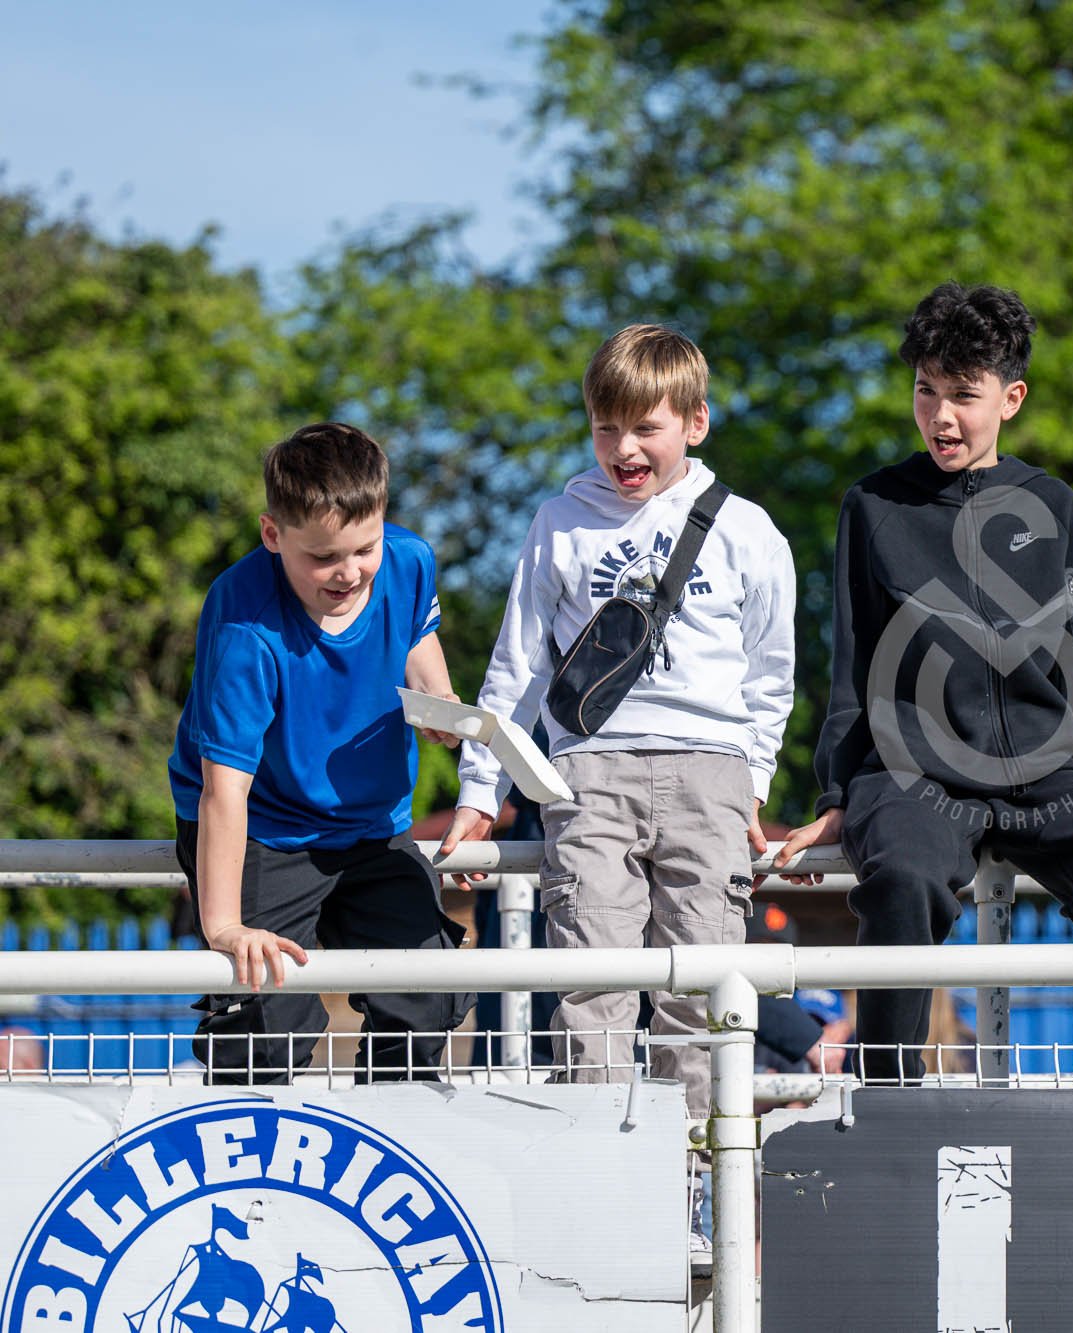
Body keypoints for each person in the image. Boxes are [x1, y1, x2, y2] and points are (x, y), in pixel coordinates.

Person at [441, 324, 795, 1272]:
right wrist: (482, 791)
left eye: (645, 428)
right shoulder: (559, 522)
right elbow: (516, 666)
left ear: (695, 422)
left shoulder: (748, 528)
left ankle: (697, 1185)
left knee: (704, 989)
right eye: (606, 430)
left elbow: (772, 671)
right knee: (593, 981)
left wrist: (752, 781)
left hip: (710, 771)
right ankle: (599, 1181)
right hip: (587, 771)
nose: (625, 450)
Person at [773, 281, 1073, 1088]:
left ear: (1011, 397)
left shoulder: (1052, 503)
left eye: (964, 394)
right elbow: (852, 659)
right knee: (905, 877)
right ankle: (888, 1096)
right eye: (926, 391)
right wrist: (834, 796)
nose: (941, 415)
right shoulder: (873, 505)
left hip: (1043, 768)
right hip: (911, 769)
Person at [166, 422, 471, 1084]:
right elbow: (225, 791)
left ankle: (392, 1136)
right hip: (262, 827)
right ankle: (253, 1172)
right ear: (273, 535)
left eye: (366, 548)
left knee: (427, 984)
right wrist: (223, 927)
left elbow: (415, 636)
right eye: (324, 557)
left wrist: (439, 702)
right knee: (264, 1024)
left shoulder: (409, 561)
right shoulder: (246, 625)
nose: (350, 572)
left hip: (369, 824)